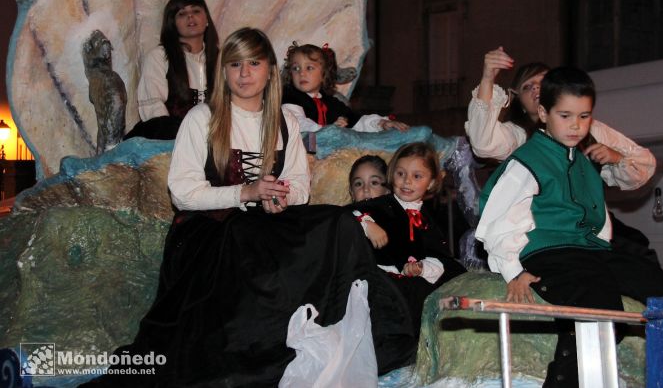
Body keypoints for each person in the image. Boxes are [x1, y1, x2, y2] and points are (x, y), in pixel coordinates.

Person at [82, 27, 415, 387]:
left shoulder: (285, 122)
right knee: (247, 240)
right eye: (236, 64)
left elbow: (301, 185)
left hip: (265, 222)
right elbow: (182, 193)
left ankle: (343, 332)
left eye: (254, 63)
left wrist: (279, 195)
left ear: (270, 70)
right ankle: (255, 351)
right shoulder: (202, 119)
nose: (244, 73)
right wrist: (245, 192)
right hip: (207, 232)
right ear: (223, 71)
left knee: (338, 222)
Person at [475, 67, 663, 387]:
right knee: (596, 303)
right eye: (566, 115)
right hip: (548, 251)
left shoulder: (584, 160)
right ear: (543, 113)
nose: (576, 125)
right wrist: (513, 270)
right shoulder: (527, 160)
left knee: (658, 287)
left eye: (584, 117)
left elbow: (600, 214)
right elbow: (499, 220)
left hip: (588, 249)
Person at [464, 47, 655, 190]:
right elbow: (483, 143)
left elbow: (644, 165)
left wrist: (616, 158)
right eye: (528, 86)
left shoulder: (587, 129)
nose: (537, 89)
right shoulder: (518, 135)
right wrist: (488, 77)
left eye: (543, 83)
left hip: (585, 227)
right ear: (518, 100)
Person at [349, 142, 466, 334]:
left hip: (408, 287)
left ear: (431, 182)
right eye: (400, 174)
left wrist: (422, 267)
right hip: (376, 281)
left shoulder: (428, 219)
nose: (407, 182)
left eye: (417, 176)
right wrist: (366, 223)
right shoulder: (381, 205)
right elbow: (343, 215)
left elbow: (441, 255)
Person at [126, 0, 219, 140]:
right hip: (171, 139)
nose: (190, 16)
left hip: (213, 139)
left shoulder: (222, 60)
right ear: (173, 23)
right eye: (182, 13)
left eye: (196, 11)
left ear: (207, 19)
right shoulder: (160, 56)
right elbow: (154, 111)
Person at [282, 42, 409, 133]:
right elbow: (296, 122)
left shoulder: (331, 102)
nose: (301, 73)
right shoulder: (289, 96)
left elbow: (357, 121)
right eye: (296, 68)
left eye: (309, 67)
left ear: (323, 74)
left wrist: (382, 123)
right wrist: (326, 129)